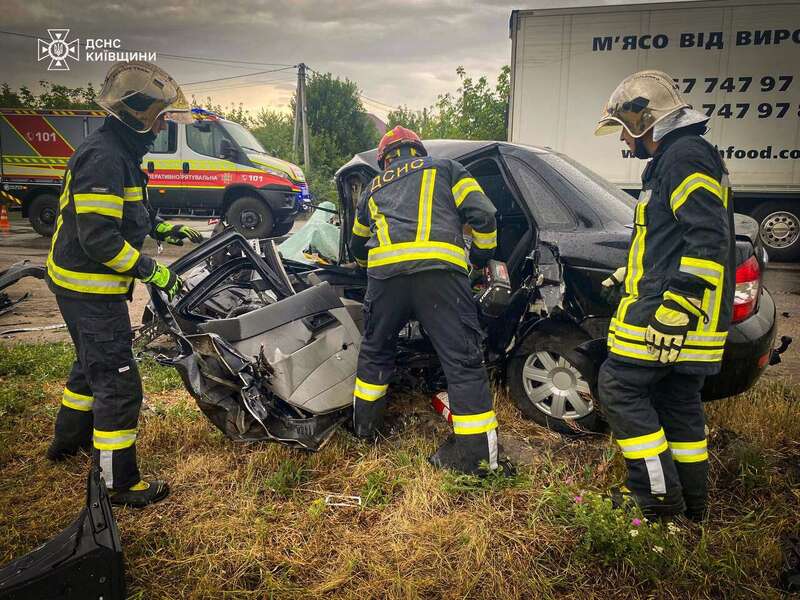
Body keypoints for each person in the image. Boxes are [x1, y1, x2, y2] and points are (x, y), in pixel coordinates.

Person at [45, 61, 203, 507]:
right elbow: (99, 239)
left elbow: (126, 212)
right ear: (140, 113)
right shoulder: (105, 158)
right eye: (161, 116)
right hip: (89, 290)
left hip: (80, 289)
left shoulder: (119, 153)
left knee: (87, 368)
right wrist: (151, 270)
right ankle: (119, 483)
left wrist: (162, 229)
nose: (163, 125)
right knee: (118, 383)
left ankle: (66, 442)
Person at [594, 70, 735, 520]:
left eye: (624, 130)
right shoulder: (686, 157)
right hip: (697, 322)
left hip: (672, 318)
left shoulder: (683, 159)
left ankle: (656, 504)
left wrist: (675, 307)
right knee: (678, 406)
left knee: (618, 387)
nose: (624, 142)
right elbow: (670, 241)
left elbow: (708, 240)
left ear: (644, 122)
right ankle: (693, 510)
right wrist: (625, 273)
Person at [349, 126, 500, 475]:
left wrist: (366, 270)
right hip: (439, 277)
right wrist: (480, 257)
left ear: (384, 159)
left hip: (386, 282)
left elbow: (357, 247)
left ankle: (364, 432)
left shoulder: (373, 187)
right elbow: (485, 215)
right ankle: (476, 460)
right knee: (462, 362)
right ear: (418, 151)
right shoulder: (446, 169)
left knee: (374, 353)